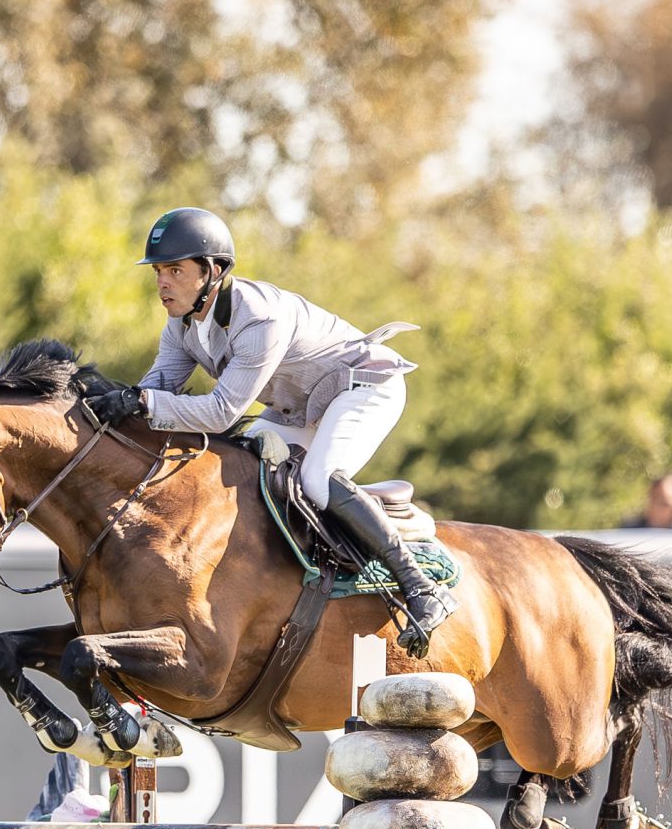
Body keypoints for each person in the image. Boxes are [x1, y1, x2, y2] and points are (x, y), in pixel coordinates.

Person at [82, 207, 456, 657]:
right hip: (297, 404)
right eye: (159, 271)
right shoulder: (181, 325)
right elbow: (157, 389)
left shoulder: (258, 317)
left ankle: (421, 587)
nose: (162, 282)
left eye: (175, 270)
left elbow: (220, 413)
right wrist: (105, 404)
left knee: (318, 479)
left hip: (363, 386)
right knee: (238, 468)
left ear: (212, 271)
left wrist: (143, 403)